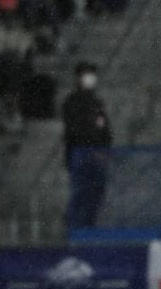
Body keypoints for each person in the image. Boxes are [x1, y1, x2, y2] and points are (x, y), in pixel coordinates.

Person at [62, 61, 112, 228]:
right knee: (81, 192)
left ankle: (89, 225)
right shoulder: (72, 102)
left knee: (96, 192)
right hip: (80, 154)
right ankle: (75, 226)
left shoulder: (97, 102)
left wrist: (104, 149)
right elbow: (75, 131)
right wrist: (91, 146)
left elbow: (104, 128)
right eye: (86, 74)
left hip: (97, 155)